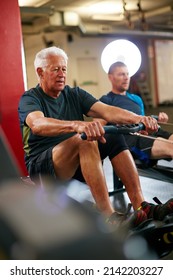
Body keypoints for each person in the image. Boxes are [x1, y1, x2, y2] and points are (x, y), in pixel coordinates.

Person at [18, 47, 172, 228]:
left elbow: (108, 111)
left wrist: (140, 119)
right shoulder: (30, 98)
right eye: (55, 69)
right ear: (40, 72)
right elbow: (38, 124)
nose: (62, 74)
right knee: (84, 138)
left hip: (74, 159)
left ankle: (141, 206)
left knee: (112, 135)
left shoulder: (74, 94)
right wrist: (77, 125)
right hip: (43, 165)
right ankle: (108, 216)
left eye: (64, 69)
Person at [100, 61, 173, 167]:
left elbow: (143, 119)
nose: (126, 77)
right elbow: (99, 128)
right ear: (110, 77)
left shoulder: (136, 98)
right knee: (170, 147)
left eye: (127, 74)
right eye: (121, 74)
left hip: (148, 134)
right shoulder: (106, 100)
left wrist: (157, 121)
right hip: (131, 141)